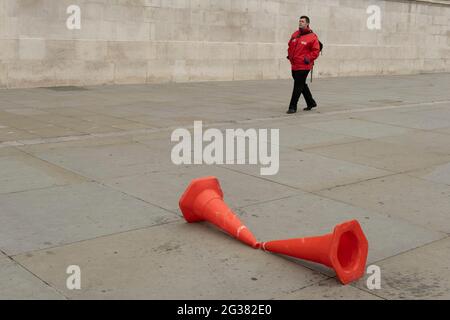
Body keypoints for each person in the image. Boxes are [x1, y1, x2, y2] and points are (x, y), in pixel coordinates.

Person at [286, 16, 321, 114]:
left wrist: (308, 58)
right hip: (294, 64)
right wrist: (289, 55)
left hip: (304, 65)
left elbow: (316, 51)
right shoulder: (295, 34)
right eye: (299, 21)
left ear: (307, 24)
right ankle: (311, 102)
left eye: (302, 21)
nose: (300, 23)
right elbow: (290, 45)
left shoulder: (312, 37)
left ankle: (292, 107)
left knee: (297, 85)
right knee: (301, 84)